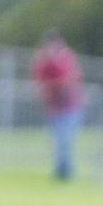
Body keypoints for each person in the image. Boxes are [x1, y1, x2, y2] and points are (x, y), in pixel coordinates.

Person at [30, 30, 85, 181]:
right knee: (58, 140)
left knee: (65, 139)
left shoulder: (66, 57)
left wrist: (54, 61)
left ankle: (65, 172)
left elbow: (69, 80)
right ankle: (62, 171)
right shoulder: (42, 59)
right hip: (54, 108)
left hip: (71, 106)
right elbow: (38, 82)